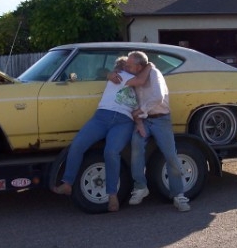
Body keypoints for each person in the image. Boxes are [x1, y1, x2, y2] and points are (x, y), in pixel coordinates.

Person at [52, 57, 140, 212]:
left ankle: (112, 194)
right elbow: (101, 71)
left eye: (126, 65)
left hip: (124, 120)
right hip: (102, 116)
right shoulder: (114, 76)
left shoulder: (138, 80)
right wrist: (109, 73)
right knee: (77, 145)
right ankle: (67, 183)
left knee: (111, 152)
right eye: (120, 65)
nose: (122, 67)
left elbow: (148, 76)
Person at [123, 51, 190, 212]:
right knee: (136, 147)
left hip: (161, 119)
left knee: (170, 155)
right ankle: (140, 187)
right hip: (144, 120)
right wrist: (139, 119)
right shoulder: (133, 75)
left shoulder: (154, 74)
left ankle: (179, 195)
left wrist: (141, 110)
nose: (127, 66)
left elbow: (158, 96)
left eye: (130, 65)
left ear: (139, 66)